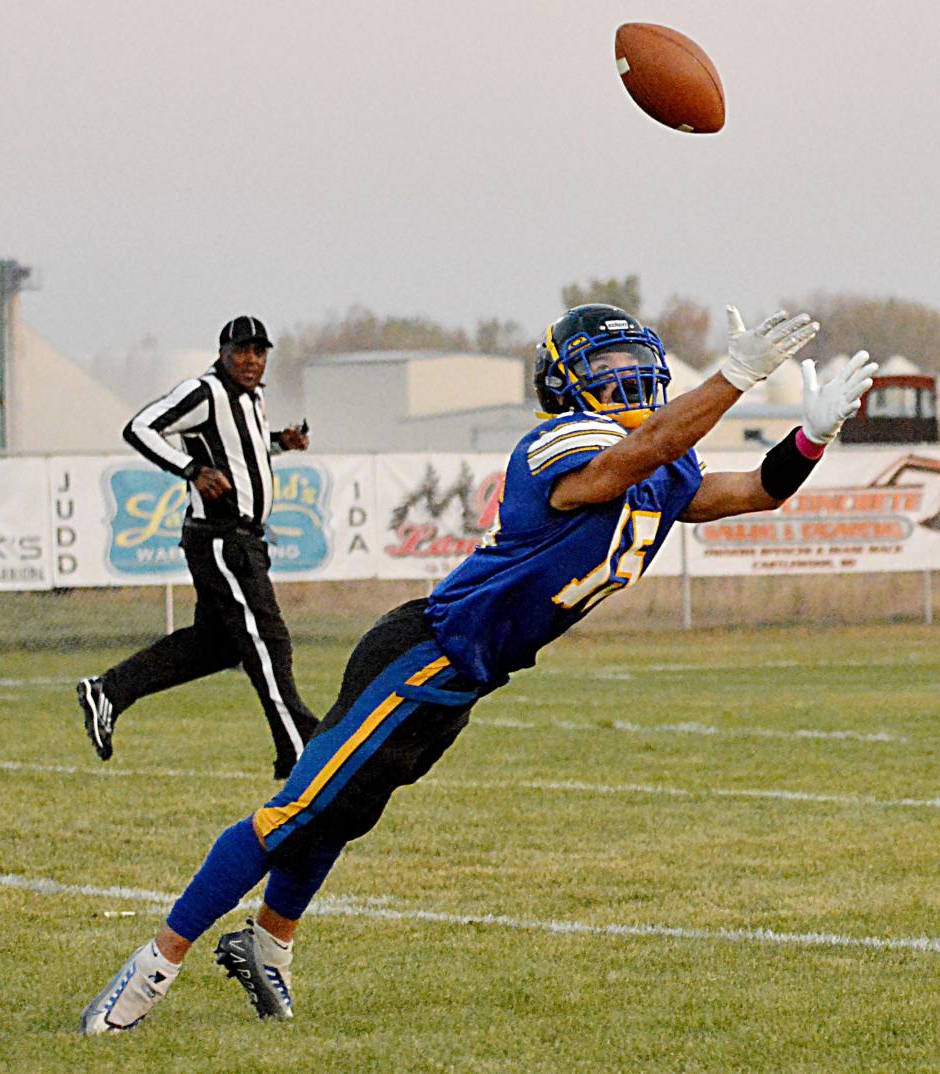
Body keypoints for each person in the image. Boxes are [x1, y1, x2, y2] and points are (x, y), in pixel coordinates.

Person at [79, 302, 877, 1035]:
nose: (625, 379)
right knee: (297, 812)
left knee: (344, 814)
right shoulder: (562, 447)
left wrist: (811, 437)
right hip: (423, 654)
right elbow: (645, 449)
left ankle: (268, 947)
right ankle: (151, 968)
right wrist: (735, 378)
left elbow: (755, 492)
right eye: (604, 368)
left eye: (635, 363)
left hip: (467, 676)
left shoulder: (663, 471)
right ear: (567, 384)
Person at [77, 315, 318, 780]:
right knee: (268, 641)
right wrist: (191, 470)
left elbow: (237, 448)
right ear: (223, 352)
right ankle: (299, 747)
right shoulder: (205, 392)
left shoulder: (252, 397)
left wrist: (280, 444)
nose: (251, 361)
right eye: (242, 351)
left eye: (259, 352)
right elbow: (140, 427)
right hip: (222, 539)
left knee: (218, 645)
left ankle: (109, 691)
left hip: (242, 539)